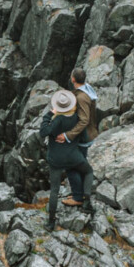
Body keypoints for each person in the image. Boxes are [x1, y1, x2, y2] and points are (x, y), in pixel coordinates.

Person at [40, 89, 95, 228]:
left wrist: (48, 115)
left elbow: (43, 132)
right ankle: (87, 201)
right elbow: (84, 138)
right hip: (72, 156)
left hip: (55, 159)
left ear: (57, 106)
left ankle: (51, 222)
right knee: (88, 171)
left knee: (54, 190)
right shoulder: (77, 119)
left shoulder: (57, 119)